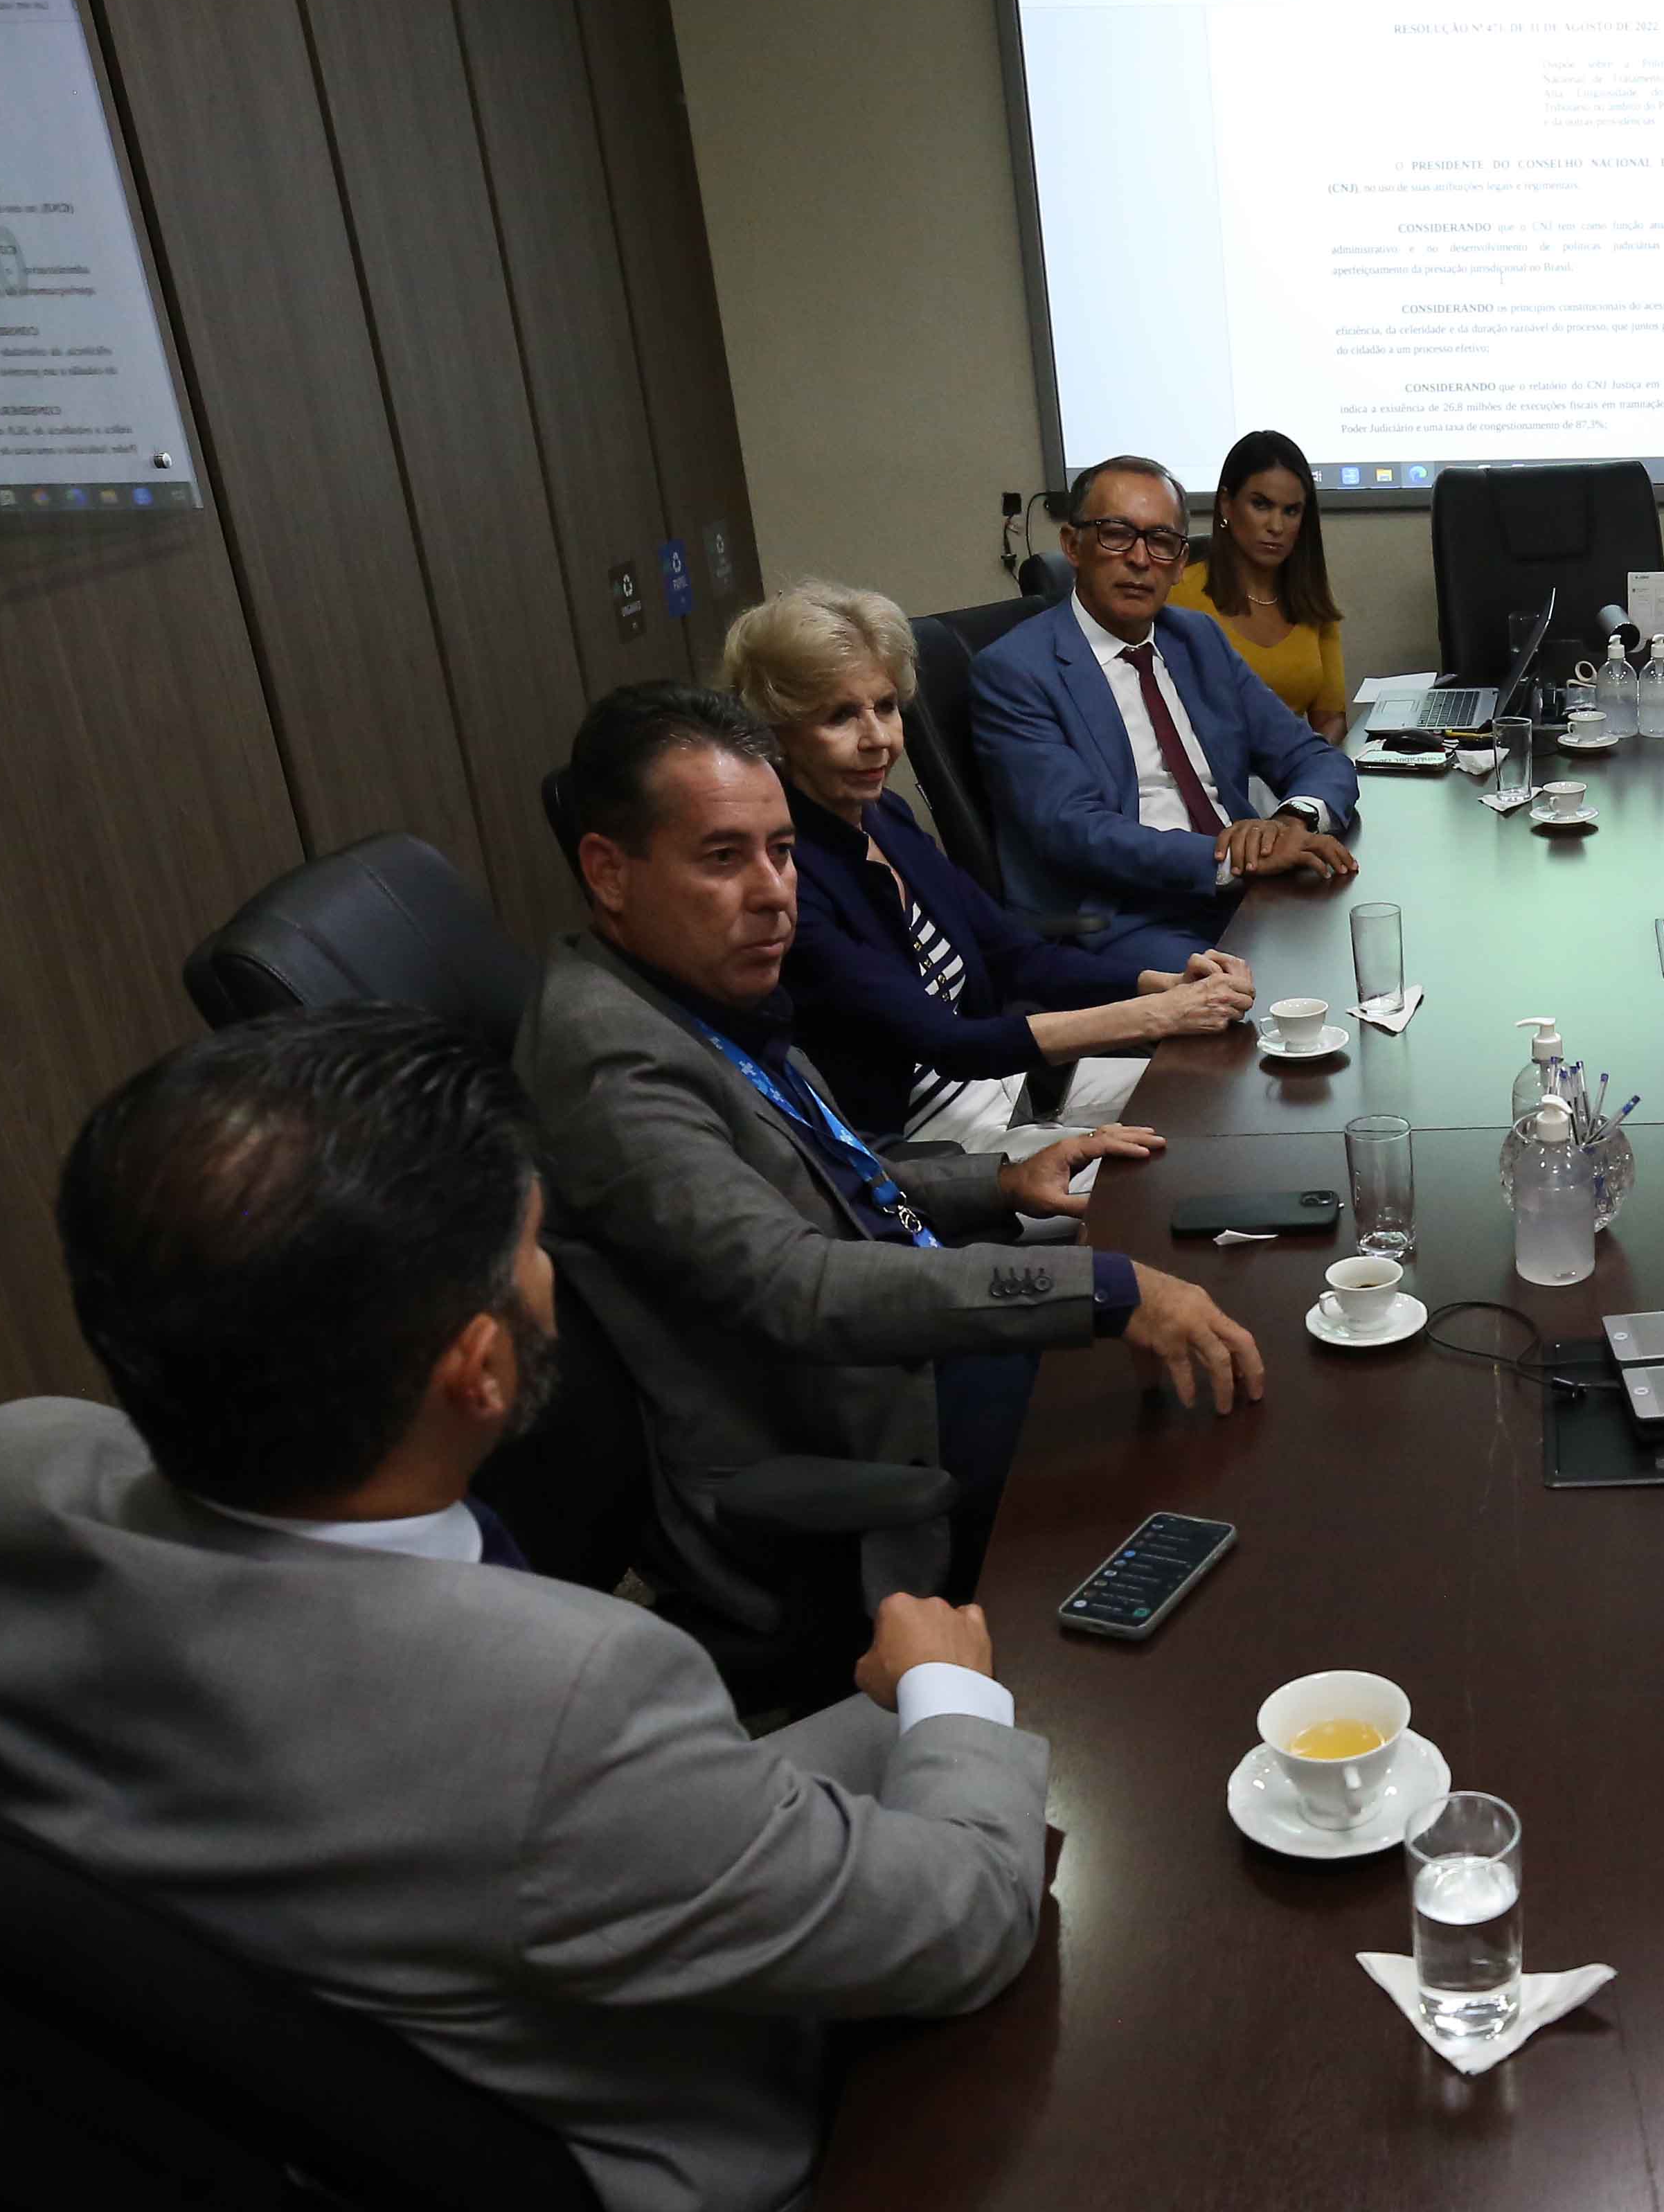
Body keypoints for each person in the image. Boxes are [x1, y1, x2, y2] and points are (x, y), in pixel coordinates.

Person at [0, 1005, 1051, 2212]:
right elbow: (964, 1924)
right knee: (1011, 1784)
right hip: (727, 2143)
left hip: (408, 1942)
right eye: (531, 1245)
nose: (550, 1271)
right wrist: (945, 1692)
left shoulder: (9, 1476)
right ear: (482, 1369)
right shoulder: (570, 1696)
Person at [519, 684, 1262, 1625]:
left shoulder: (685, 983)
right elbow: (798, 1285)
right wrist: (1104, 1289)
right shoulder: (610, 1057)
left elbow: (820, 1169)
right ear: (609, 872)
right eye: (722, 858)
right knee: (1206, 1439)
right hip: (853, 1432)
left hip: (901, 1357)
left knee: (1217, 1339)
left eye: (781, 851)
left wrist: (1000, 1179)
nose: (773, 892)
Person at [719, 578, 1254, 1148]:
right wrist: (1158, 1015)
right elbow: (949, 1043)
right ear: (777, 732)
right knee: (1176, 1168)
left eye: (886, 707)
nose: (878, 739)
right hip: (928, 1143)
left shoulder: (883, 816)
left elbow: (1014, 956)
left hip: (1011, 1088)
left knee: (1230, 1096)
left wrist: (1159, 983)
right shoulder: (785, 877)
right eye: (839, 717)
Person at [974, 455, 1366, 974]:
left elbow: (1312, 756)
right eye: (1117, 535)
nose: (1140, 559)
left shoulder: (1196, 639)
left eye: (1161, 541)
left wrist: (1290, 823)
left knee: (1369, 939)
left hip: (1244, 891)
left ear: (1180, 563)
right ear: (1072, 546)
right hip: (1120, 920)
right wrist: (1232, 858)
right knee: (1252, 995)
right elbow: (1076, 832)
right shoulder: (1016, 670)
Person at [1168, 429, 1351, 741]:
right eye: (1261, 505)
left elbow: (1331, 720)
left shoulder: (1312, 598)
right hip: (1209, 765)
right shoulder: (1177, 592)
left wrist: (1312, 764)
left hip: (1295, 765)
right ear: (1227, 504)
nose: (1276, 526)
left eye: (1291, 511)